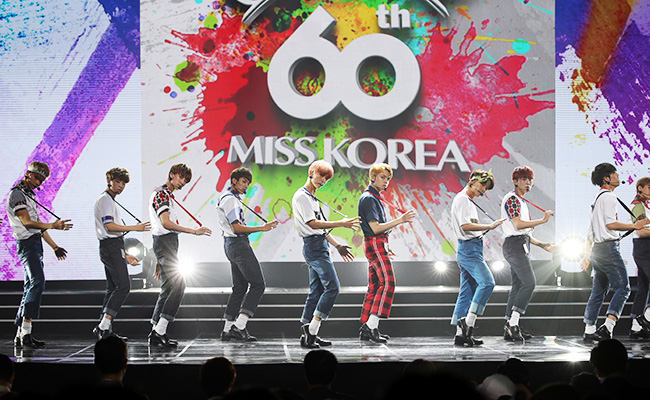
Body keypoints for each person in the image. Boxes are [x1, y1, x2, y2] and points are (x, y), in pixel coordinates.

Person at [292, 160, 360, 349]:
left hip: (320, 245)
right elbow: (313, 224)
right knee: (333, 288)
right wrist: (341, 223)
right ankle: (312, 330)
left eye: (327, 178)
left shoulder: (313, 198)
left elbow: (322, 229)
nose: (323, 180)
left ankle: (308, 334)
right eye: (321, 175)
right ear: (311, 172)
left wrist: (338, 245)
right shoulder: (302, 196)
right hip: (313, 247)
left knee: (317, 291)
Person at [7, 161, 73, 348]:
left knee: (30, 285)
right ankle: (26, 333)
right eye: (36, 177)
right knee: (37, 282)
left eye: (41, 179)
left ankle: (21, 334)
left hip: (35, 244)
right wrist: (53, 225)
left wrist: (54, 246)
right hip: (27, 244)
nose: (38, 182)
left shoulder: (28, 195)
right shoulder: (17, 194)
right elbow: (28, 223)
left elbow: (38, 227)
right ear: (28, 173)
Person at [581, 163, 648, 342]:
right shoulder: (609, 197)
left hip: (598, 249)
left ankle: (589, 329)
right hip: (609, 249)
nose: (618, 176)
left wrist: (587, 254)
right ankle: (608, 326)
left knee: (599, 290)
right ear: (606, 178)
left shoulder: (597, 198)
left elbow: (590, 230)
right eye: (614, 174)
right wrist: (635, 225)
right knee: (623, 288)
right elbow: (611, 225)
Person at [148, 163, 211, 347]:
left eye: (186, 180)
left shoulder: (167, 196)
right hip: (165, 243)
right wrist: (193, 231)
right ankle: (159, 330)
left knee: (168, 288)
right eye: (181, 178)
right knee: (179, 284)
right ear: (172, 174)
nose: (183, 182)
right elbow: (165, 224)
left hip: (166, 244)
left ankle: (156, 331)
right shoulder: (161, 194)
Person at [216, 167, 278, 342]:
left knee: (240, 288)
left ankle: (227, 329)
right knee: (258, 285)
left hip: (230, 245)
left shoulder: (228, 197)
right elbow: (236, 228)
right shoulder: (230, 200)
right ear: (234, 180)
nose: (246, 186)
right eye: (243, 182)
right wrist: (262, 228)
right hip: (238, 245)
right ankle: (239, 326)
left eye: (248, 184)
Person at [357, 163, 415, 344]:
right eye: (383, 177)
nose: (386, 182)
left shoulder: (374, 197)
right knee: (388, 283)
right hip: (375, 243)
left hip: (375, 244)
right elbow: (374, 228)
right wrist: (400, 220)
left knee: (374, 286)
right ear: (372, 177)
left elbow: (376, 229)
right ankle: (371, 326)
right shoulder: (369, 198)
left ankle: (367, 326)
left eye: (388, 179)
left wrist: (385, 243)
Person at [93, 167, 150, 341]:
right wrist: (135, 227)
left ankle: (106, 328)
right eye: (118, 181)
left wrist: (124, 254)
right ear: (109, 181)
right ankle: (103, 326)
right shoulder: (106, 200)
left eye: (123, 183)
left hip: (113, 246)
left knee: (112, 288)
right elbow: (109, 227)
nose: (121, 186)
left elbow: (112, 233)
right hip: (110, 247)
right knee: (123, 286)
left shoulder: (109, 200)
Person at [450, 169, 505, 347]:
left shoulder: (466, 200)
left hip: (471, 247)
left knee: (467, 291)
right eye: (482, 186)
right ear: (472, 180)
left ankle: (460, 334)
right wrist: (489, 225)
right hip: (469, 249)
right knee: (487, 283)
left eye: (486, 188)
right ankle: (468, 323)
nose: (483, 191)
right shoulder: (463, 200)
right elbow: (466, 226)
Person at [500, 166, 556, 342]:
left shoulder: (520, 201)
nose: (528, 183)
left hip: (519, 244)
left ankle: (509, 326)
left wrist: (543, 245)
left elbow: (525, 233)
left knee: (517, 286)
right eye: (523, 179)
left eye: (530, 179)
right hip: (515, 246)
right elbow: (517, 225)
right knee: (529, 282)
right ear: (515, 181)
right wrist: (543, 220)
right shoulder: (513, 199)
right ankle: (513, 324)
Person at [628, 176, 650, 339]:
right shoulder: (638, 205)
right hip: (644, 247)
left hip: (645, 247)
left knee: (643, 286)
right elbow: (641, 231)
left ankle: (636, 326)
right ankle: (647, 317)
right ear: (640, 188)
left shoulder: (645, 205)